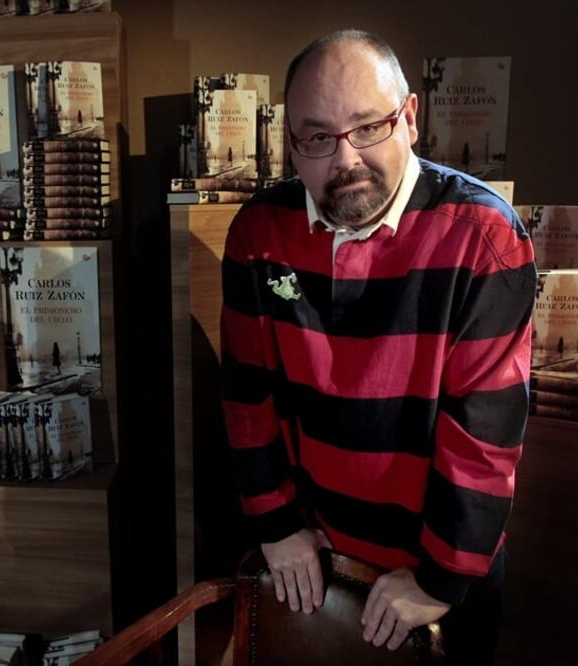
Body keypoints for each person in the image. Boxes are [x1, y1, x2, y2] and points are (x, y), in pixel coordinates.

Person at [219, 30, 536, 665]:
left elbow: (484, 438)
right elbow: (247, 394)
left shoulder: (485, 238)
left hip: (438, 573)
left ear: (410, 119)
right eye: (318, 138)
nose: (346, 160)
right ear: (292, 143)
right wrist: (277, 526)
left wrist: (439, 577)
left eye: (368, 127)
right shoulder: (258, 231)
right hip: (314, 557)